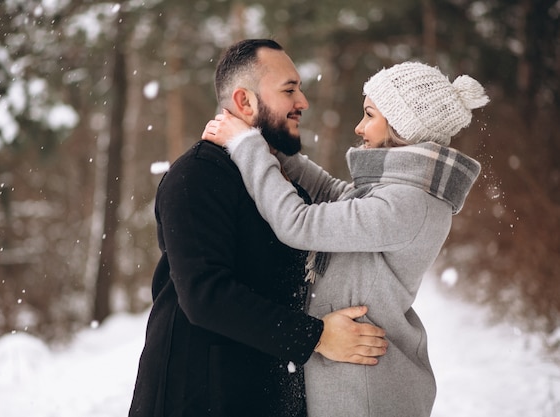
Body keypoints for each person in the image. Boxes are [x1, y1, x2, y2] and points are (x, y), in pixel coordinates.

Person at [202, 61, 489, 416]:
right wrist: (269, 143)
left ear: (403, 126)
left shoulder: (409, 204)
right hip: (352, 376)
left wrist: (247, 146)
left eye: (369, 115)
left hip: (364, 390)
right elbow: (331, 192)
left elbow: (298, 223)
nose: (359, 126)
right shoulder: (400, 193)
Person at [128, 39, 388, 417]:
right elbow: (205, 296)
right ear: (245, 101)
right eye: (289, 89)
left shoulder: (279, 182)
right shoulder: (197, 175)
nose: (303, 102)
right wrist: (317, 336)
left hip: (264, 395)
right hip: (195, 400)